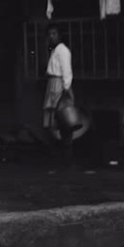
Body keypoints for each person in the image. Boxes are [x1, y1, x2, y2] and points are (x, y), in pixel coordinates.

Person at [44, 23, 79, 163]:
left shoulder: (63, 50)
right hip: (53, 85)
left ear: (59, 35)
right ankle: (59, 155)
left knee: (64, 119)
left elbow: (67, 72)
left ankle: (67, 155)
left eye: (54, 33)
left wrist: (67, 89)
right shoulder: (55, 50)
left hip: (60, 86)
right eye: (49, 34)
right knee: (53, 121)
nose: (51, 36)